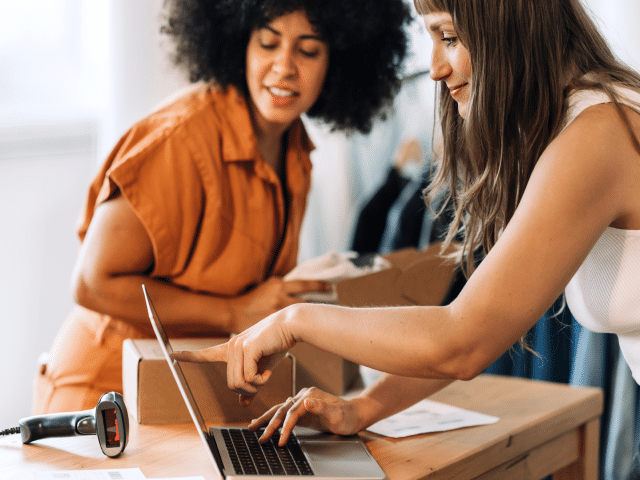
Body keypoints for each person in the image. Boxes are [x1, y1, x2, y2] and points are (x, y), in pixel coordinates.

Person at [174, 0, 640, 474]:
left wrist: (293, 321)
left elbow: (464, 340)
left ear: (508, 24)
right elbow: (487, 317)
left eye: (450, 38)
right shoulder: (581, 121)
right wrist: (361, 409)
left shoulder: (597, 136)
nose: (435, 69)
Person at [33, 0, 412, 414]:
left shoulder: (294, 148)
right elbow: (92, 282)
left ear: (337, 61)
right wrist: (235, 312)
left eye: (307, 50)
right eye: (268, 43)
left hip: (182, 394)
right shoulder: (179, 139)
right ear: (239, 43)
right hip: (102, 395)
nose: (284, 66)